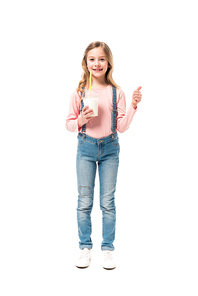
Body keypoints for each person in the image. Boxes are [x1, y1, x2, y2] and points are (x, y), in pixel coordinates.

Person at [65, 41, 142, 269]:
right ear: (86, 62)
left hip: (110, 149)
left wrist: (133, 108)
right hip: (86, 148)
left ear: (108, 63)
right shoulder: (80, 92)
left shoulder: (117, 92)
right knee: (84, 202)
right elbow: (68, 124)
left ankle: (107, 250)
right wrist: (81, 120)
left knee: (107, 202)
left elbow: (121, 127)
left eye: (101, 59)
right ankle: (85, 248)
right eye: (92, 59)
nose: (96, 63)